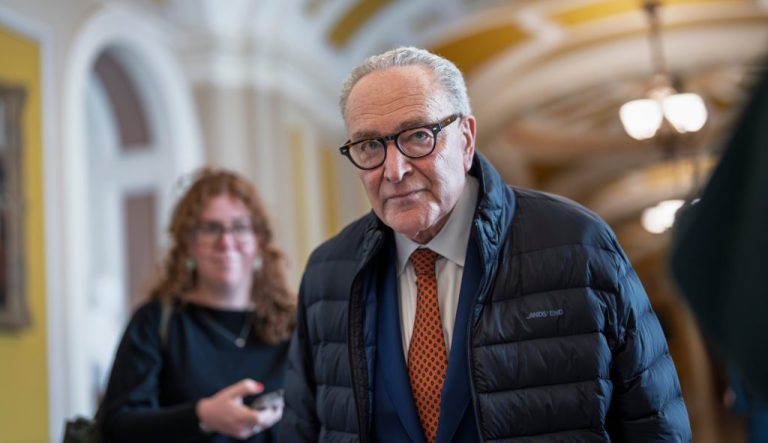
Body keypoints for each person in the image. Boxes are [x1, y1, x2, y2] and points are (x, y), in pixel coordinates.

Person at [281, 47, 691, 442]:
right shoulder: (327, 273)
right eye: (370, 145)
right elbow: (302, 429)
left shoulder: (577, 243)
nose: (395, 169)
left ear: (466, 137)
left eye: (419, 135)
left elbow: (653, 422)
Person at [100, 167, 295, 443]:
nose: (226, 242)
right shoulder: (156, 321)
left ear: (259, 242)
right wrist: (201, 415)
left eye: (239, 227)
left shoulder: (295, 323)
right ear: (187, 244)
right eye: (210, 228)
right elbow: (117, 426)